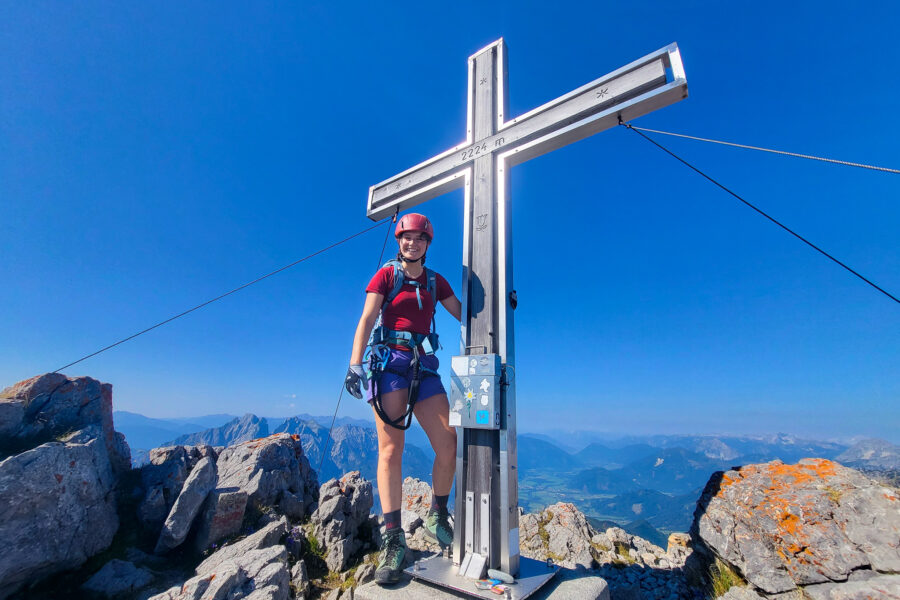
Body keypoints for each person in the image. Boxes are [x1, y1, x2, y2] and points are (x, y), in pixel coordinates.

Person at [344, 213, 461, 585]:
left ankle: (436, 515)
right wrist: (354, 364)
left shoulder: (435, 282)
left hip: (423, 367)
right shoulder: (386, 276)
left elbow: (462, 311)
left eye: (419, 239)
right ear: (399, 241)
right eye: (406, 238)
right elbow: (367, 318)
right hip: (389, 365)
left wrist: (496, 308)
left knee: (448, 442)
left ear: (427, 244)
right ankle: (394, 540)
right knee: (391, 451)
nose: (412, 243)